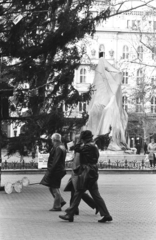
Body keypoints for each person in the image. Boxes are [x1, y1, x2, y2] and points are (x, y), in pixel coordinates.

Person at [59, 130, 112, 223]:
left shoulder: (88, 146)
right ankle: (106, 214)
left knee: (78, 192)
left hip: (87, 173)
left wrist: (77, 142)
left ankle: (70, 214)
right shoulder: (92, 145)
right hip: (92, 173)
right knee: (95, 195)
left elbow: (75, 148)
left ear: (84, 138)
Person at [40, 133, 67, 211]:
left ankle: (57, 206)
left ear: (54, 140)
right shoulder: (61, 147)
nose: (51, 141)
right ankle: (60, 201)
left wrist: (50, 171)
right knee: (52, 187)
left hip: (56, 171)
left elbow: (55, 161)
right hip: (58, 170)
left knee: (54, 188)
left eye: (52, 140)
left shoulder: (58, 148)